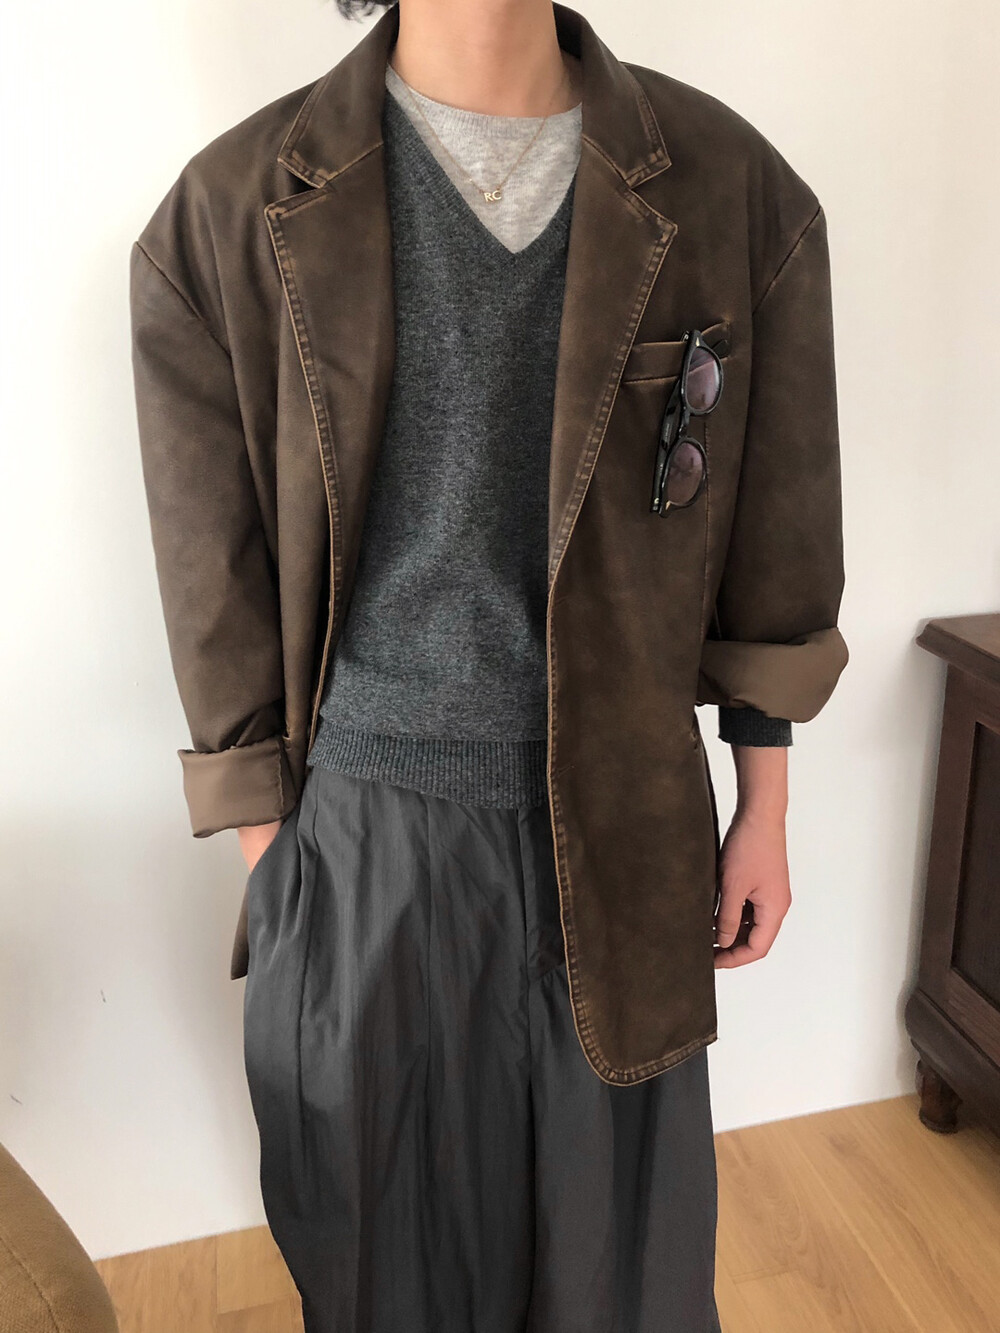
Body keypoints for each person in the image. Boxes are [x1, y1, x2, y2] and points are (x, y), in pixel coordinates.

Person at [129, 1, 848, 1329]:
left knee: (621, 1273)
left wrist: (767, 797)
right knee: (385, 1268)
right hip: (363, 838)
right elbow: (207, 566)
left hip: (626, 824)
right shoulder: (229, 213)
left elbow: (779, 523)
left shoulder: (730, 188)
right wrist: (275, 857)